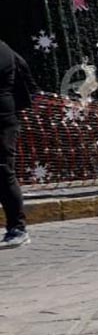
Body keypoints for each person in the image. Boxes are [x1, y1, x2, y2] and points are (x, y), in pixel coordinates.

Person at [0, 41, 34, 249]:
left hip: (2, 120)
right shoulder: (7, 49)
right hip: (8, 116)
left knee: (3, 170)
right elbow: (27, 76)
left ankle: (18, 228)